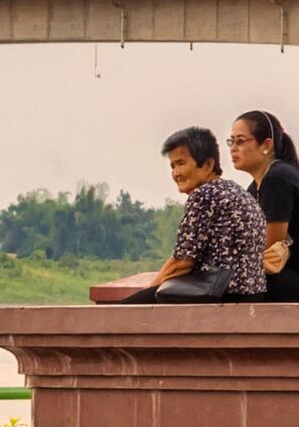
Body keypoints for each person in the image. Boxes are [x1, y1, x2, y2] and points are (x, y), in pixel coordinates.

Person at [91, 129, 266, 303]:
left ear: (207, 165)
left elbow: (182, 262)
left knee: (125, 312)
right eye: (173, 166)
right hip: (251, 292)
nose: (176, 173)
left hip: (217, 292)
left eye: (181, 163)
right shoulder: (240, 193)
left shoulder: (204, 195)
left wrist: (151, 289)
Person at [229, 112, 299, 305]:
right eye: (230, 142)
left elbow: (268, 245)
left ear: (266, 145)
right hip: (291, 276)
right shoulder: (258, 186)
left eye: (240, 141)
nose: (233, 149)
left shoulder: (278, 178)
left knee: (222, 284)